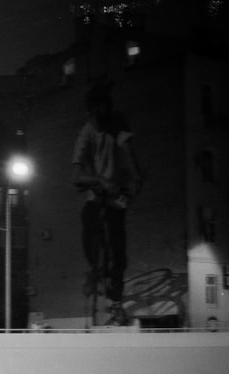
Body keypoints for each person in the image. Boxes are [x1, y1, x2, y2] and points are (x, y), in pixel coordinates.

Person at [72, 81, 143, 326]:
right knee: (89, 227)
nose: (102, 116)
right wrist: (98, 180)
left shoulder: (118, 126)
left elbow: (128, 158)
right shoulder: (86, 134)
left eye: (106, 110)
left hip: (116, 199)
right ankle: (93, 268)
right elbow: (77, 175)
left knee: (119, 254)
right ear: (91, 111)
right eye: (97, 111)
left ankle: (116, 303)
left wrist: (133, 180)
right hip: (96, 194)